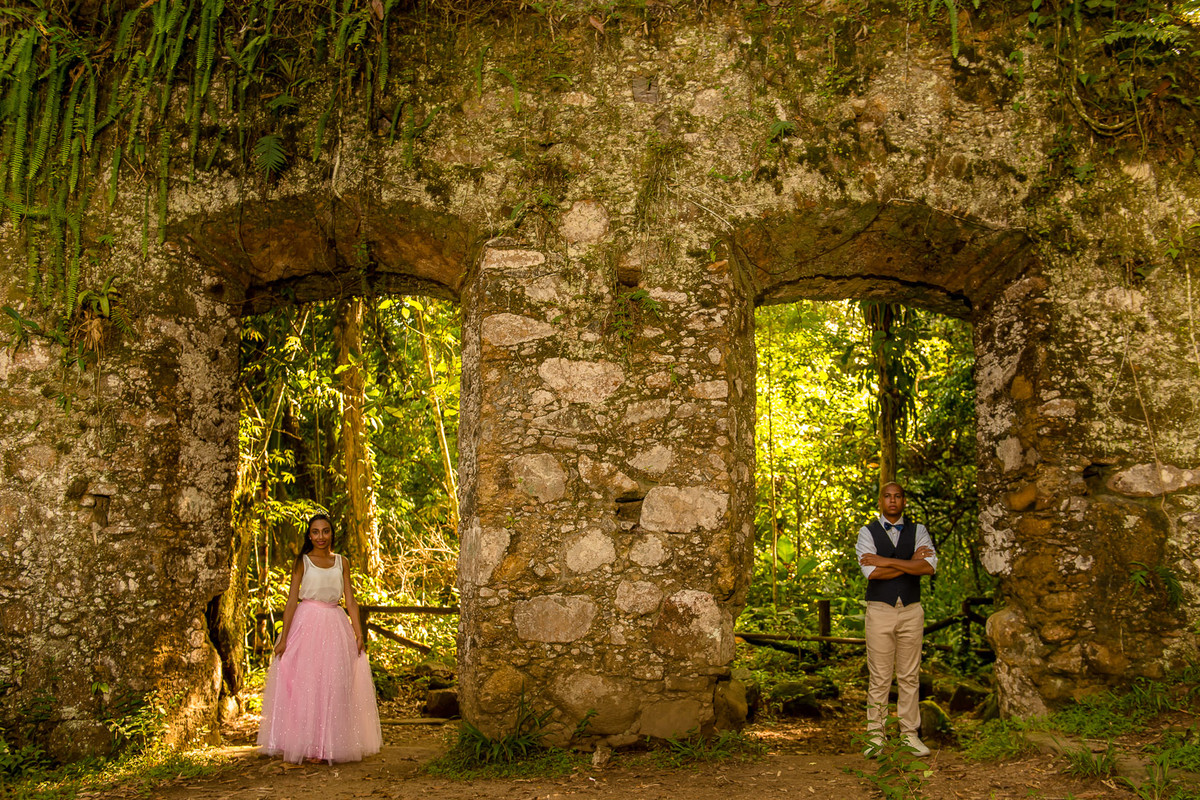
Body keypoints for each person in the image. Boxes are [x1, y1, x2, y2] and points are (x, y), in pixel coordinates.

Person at [257, 513, 382, 764]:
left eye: (325, 531)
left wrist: (358, 634)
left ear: (331, 533)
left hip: (335, 623)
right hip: (307, 622)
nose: (321, 536)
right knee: (308, 683)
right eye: (315, 532)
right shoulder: (302, 562)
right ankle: (308, 744)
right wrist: (283, 637)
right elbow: (292, 601)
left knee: (333, 684)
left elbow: (351, 600)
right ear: (309, 535)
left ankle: (328, 745)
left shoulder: (341, 562)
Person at [856, 481, 937, 758]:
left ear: (904, 501)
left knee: (909, 676)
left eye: (898, 496)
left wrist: (886, 561)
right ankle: (876, 737)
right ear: (881, 501)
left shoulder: (919, 531)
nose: (892, 501)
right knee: (879, 677)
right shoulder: (867, 532)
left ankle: (909, 735)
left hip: (912, 611)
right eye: (887, 496)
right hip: (879, 610)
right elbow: (872, 573)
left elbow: (927, 567)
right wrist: (908, 563)